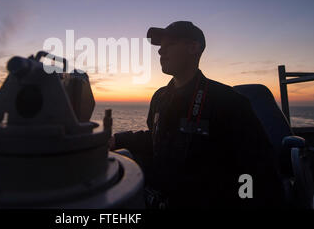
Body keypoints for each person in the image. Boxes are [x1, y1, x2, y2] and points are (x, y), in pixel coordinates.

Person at [109, 21, 285, 208]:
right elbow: (156, 139)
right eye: (160, 47)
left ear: (193, 47)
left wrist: (244, 200)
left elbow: (256, 168)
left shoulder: (229, 101)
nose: (160, 51)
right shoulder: (160, 97)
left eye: (170, 44)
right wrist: (116, 140)